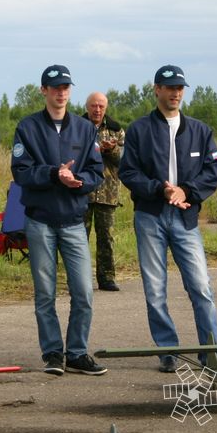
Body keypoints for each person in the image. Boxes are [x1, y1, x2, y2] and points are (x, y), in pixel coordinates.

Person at [119, 65, 217, 373]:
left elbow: (212, 172)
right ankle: (169, 352)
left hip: (186, 217)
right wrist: (158, 189)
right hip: (150, 216)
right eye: (169, 87)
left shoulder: (201, 131)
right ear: (157, 90)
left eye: (180, 87)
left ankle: (211, 352)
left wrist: (186, 190)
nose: (175, 92)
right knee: (154, 289)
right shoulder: (139, 130)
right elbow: (128, 172)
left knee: (201, 287)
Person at [11, 65, 107, 376]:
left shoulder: (84, 128)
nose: (61, 92)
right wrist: (54, 174)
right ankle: (53, 354)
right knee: (45, 293)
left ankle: (77, 353)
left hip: (73, 221)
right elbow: (21, 172)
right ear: (43, 90)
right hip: (39, 221)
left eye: (65, 86)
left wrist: (77, 180)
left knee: (84, 292)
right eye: (54, 87)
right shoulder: (27, 128)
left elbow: (96, 173)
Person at [82, 92, 125, 292]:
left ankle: (107, 278)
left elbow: (125, 162)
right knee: (79, 238)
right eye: (93, 106)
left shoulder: (117, 131)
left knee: (106, 238)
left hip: (107, 193)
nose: (97, 110)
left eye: (100, 106)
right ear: (87, 107)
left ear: (106, 108)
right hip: (82, 192)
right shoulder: (76, 127)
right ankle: (80, 280)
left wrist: (111, 150)